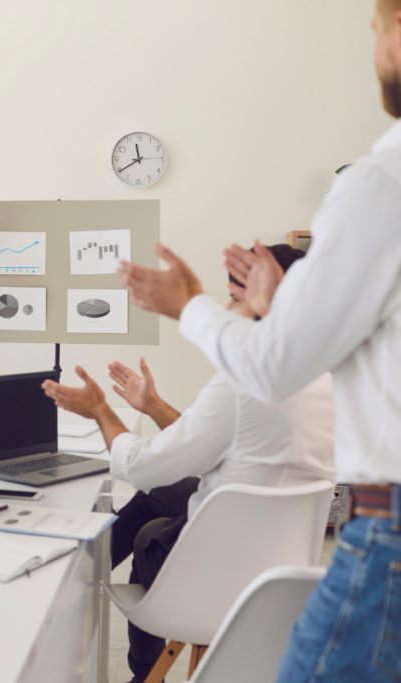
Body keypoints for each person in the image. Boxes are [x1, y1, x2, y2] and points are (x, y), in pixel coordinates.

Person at [116, 4, 401, 680]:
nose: (373, 39)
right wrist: (281, 311)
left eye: (382, 21)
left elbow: (268, 372)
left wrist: (189, 304)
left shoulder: (380, 185)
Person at [44, 246, 335, 683]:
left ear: (268, 304)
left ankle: (133, 661)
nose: (223, 309)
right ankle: (82, 573)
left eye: (235, 298)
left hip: (217, 571)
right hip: (280, 564)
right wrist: (154, 405)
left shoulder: (241, 384)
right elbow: (225, 447)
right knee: (154, 497)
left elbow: (140, 465)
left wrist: (102, 411)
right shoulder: (325, 377)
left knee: (147, 531)